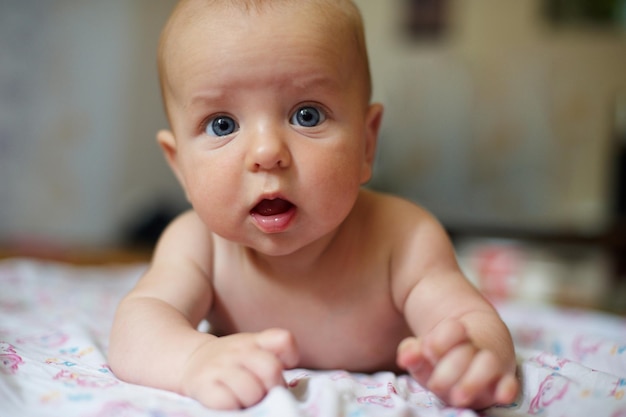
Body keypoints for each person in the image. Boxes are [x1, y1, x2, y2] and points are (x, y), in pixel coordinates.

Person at [108, 0, 519, 410]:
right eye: (223, 124)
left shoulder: (404, 239)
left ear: (366, 143)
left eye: (307, 115)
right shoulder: (197, 245)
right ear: (181, 167)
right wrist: (193, 359)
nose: (267, 152)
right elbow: (139, 325)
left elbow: (469, 318)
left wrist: (473, 356)